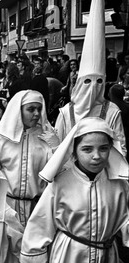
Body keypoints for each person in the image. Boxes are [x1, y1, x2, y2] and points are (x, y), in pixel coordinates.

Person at [20, 117, 129, 263]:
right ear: (75, 151)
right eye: (87, 149)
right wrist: (38, 261)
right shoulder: (60, 184)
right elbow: (41, 221)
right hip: (69, 256)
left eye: (103, 148)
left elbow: (125, 219)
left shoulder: (119, 184)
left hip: (106, 257)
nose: (96, 156)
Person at [54, 0, 127, 159]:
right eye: (88, 81)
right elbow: (57, 145)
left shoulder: (112, 111)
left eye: (99, 82)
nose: (93, 87)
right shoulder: (67, 112)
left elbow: (120, 146)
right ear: (80, 83)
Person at [0, 90, 59, 229]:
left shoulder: (47, 136)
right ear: (18, 110)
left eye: (39, 109)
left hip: (38, 208)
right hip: (8, 207)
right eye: (31, 109)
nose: (36, 114)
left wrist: (57, 147)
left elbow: (59, 173)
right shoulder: (1, 138)